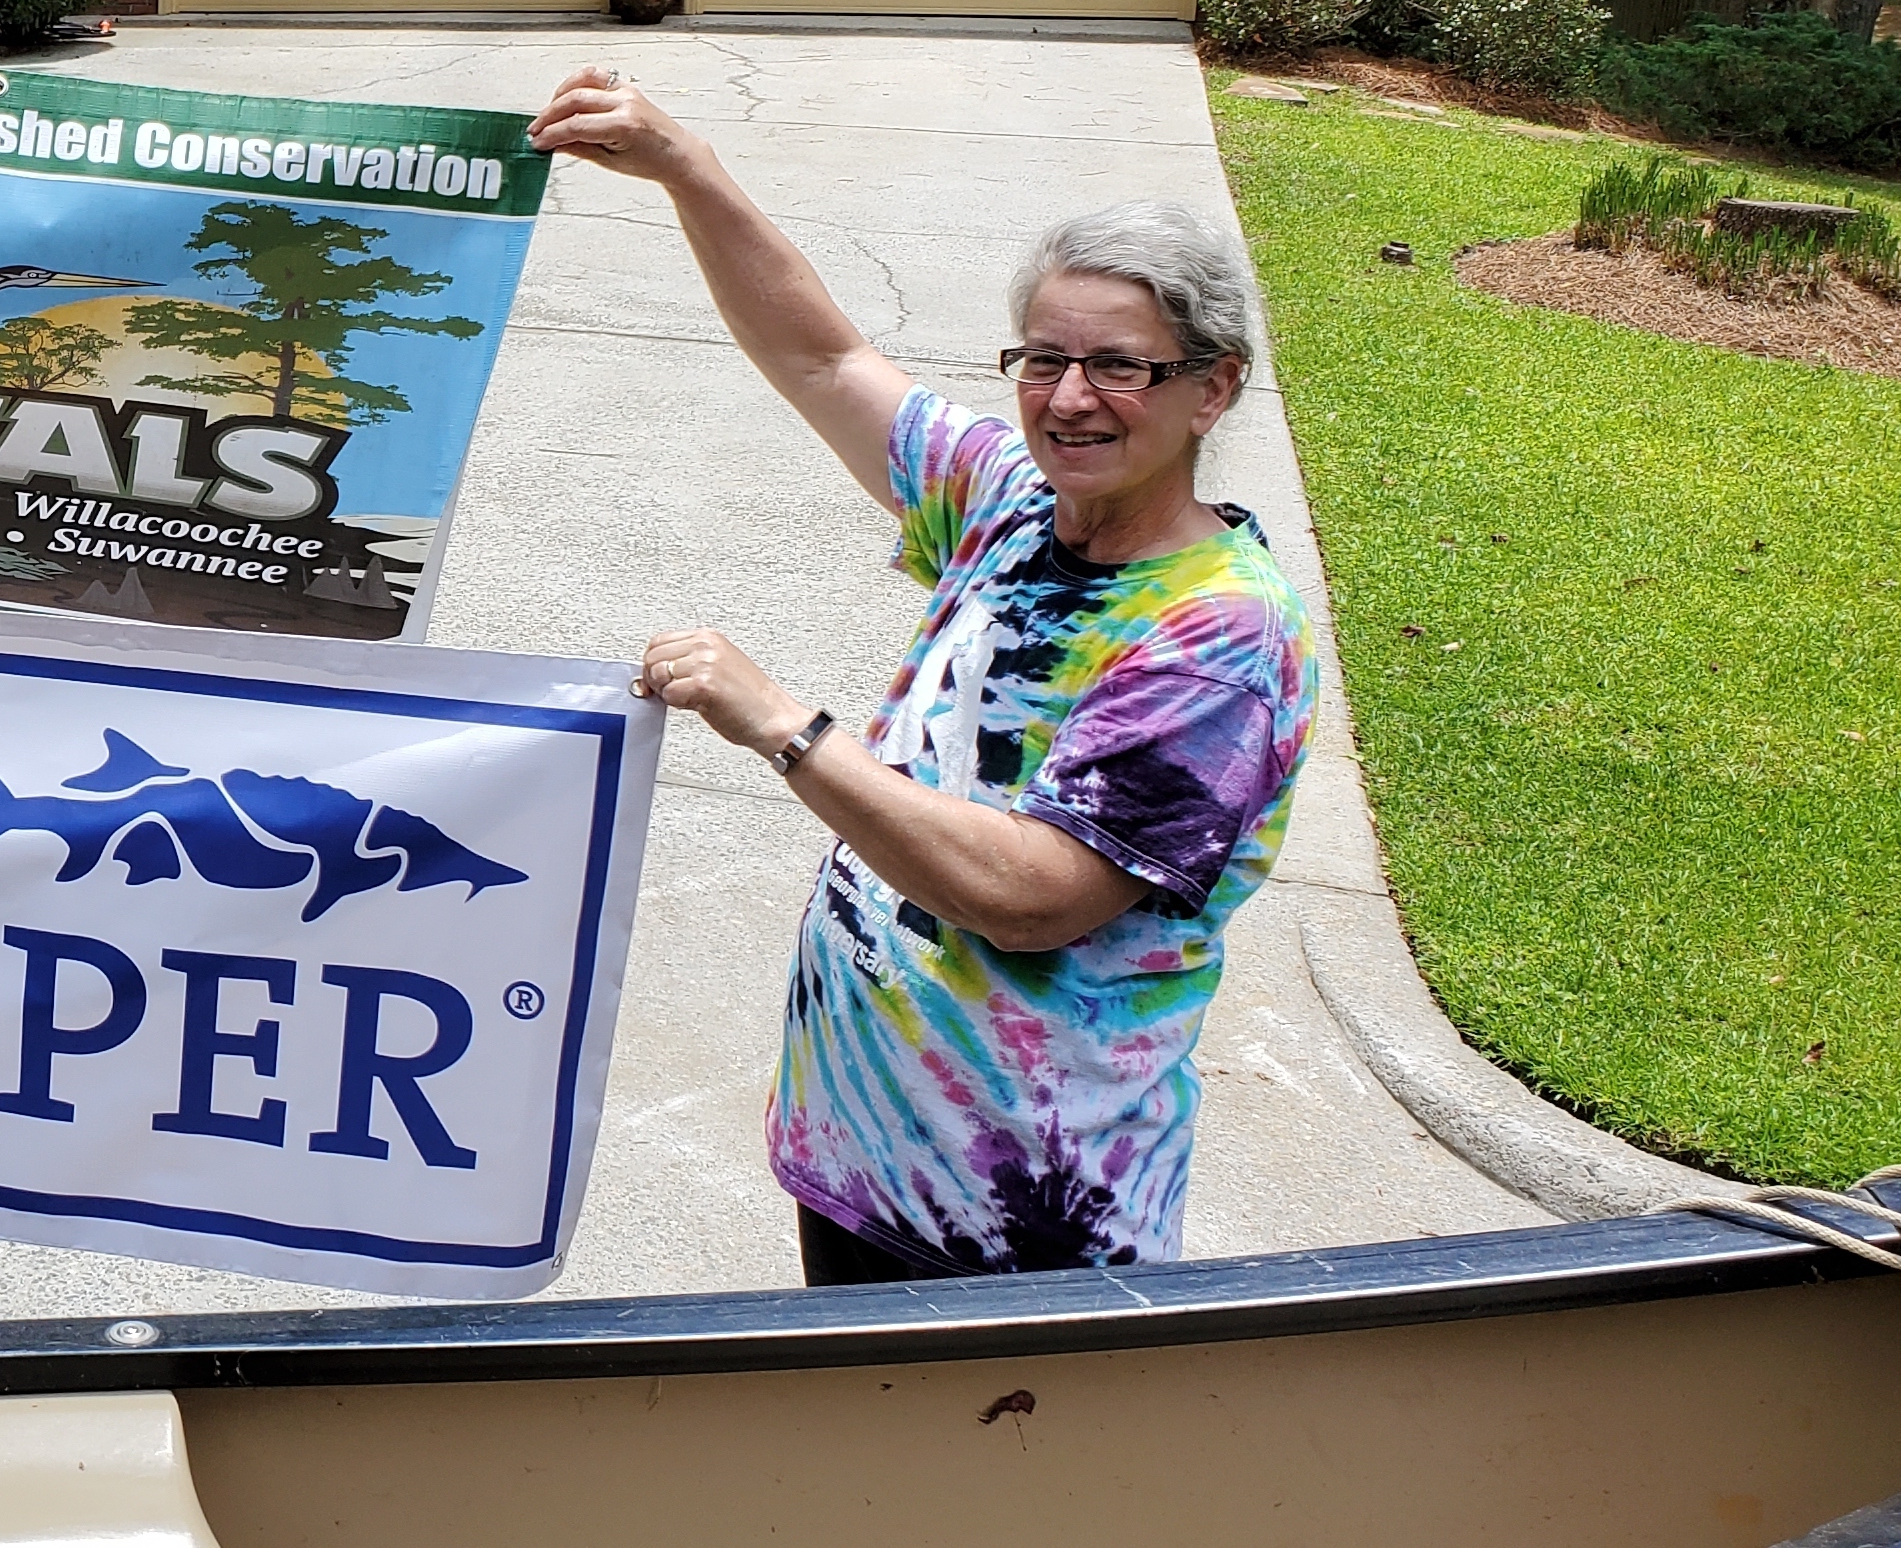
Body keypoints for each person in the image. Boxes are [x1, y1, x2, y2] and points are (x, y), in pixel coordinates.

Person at [531, 67, 1316, 1286]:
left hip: (1015, 1217)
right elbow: (822, 357)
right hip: (871, 1157)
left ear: (1213, 385)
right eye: (1042, 358)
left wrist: (787, 730)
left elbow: (1040, 898)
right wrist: (687, 167)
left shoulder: (1217, 636)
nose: (1068, 398)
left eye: (1122, 367)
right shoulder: (1015, 507)